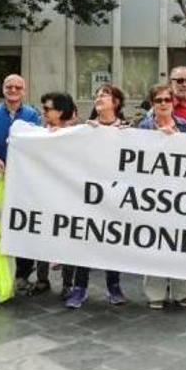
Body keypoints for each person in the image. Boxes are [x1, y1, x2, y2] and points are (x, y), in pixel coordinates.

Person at [65, 84, 129, 309]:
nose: (99, 97)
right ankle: (79, 287)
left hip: (116, 195)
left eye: (105, 95)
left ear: (116, 102)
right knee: (85, 238)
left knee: (113, 239)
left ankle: (114, 285)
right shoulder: (86, 129)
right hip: (89, 195)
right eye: (97, 95)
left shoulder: (128, 130)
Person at [0, 74, 41, 286]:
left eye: (17, 87)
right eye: (9, 86)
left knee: (21, 222)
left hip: (23, 178)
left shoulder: (33, 115)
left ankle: (22, 273)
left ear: (24, 90)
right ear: (3, 89)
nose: (13, 90)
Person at [137, 84, 186, 309]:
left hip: (180, 192)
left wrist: (176, 139)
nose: (163, 104)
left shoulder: (185, 126)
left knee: (180, 243)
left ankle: (181, 291)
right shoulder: (143, 127)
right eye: (158, 100)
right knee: (154, 243)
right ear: (152, 104)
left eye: (166, 100)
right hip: (152, 194)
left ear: (172, 102)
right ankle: (155, 293)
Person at [38, 92, 80, 299]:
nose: (43, 113)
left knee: (67, 237)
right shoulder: (36, 134)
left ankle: (67, 283)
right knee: (41, 234)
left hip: (68, 197)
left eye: (47, 109)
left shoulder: (77, 136)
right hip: (43, 195)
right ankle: (41, 279)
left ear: (60, 112)